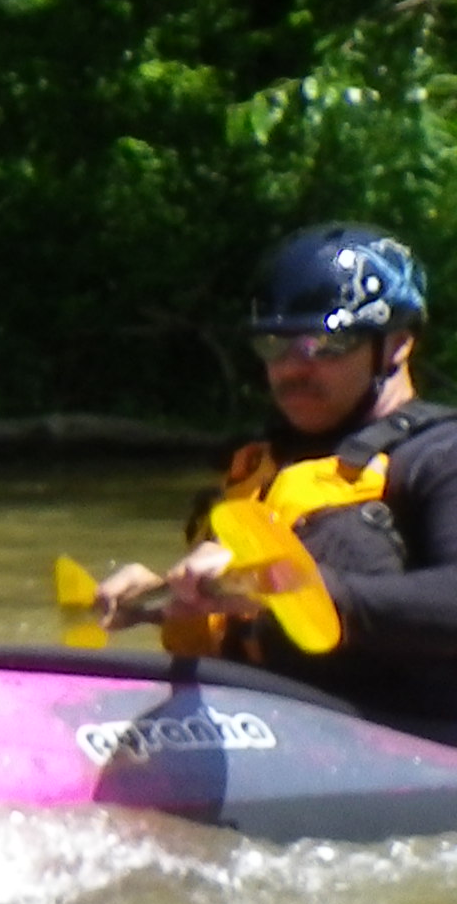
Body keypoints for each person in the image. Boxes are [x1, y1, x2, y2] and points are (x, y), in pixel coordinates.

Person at [85, 225, 457, 728]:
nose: (291, 368)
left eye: (326, 343)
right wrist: (167, 597)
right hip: (260, 725)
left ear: (396, 345)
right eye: (274, 345)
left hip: (402, 746)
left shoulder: (440, 455)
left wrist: (301, 587)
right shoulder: (261, 465)